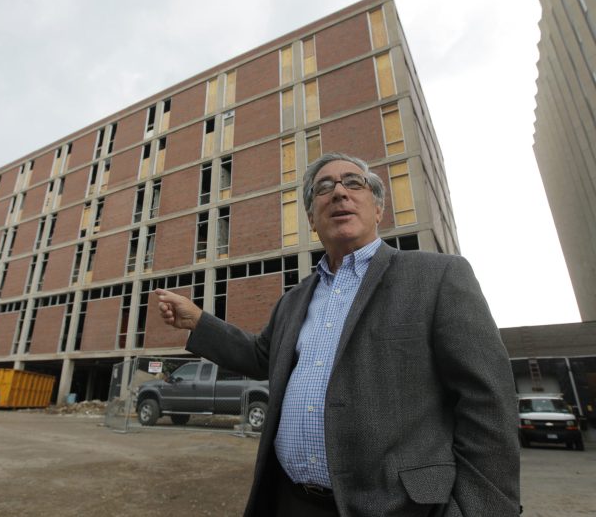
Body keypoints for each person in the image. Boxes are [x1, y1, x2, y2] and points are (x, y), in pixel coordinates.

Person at [156, 152, 520, 516]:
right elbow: (261, 356)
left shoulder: (438, 277)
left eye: (354, 182)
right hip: (290, 502)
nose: (339, 193)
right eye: (324, 188)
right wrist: (199, 321)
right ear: (312, 218)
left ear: (378, 208)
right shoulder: (293, 300)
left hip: (402, 508)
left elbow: (488, 401)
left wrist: (480, 510)